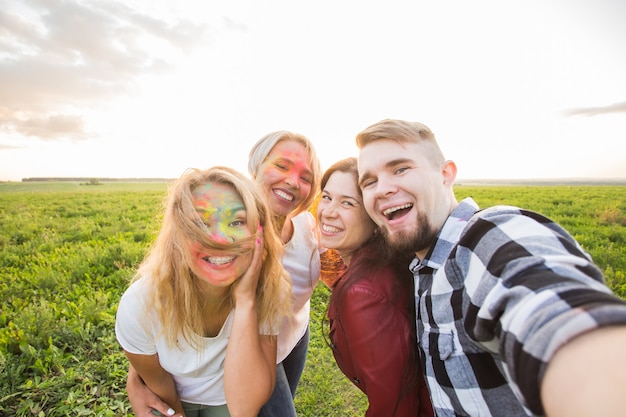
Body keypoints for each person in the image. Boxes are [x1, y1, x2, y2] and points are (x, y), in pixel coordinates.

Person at [355, 118, 626, 416]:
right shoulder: (423, 264)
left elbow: (551, 311)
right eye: (369, 182)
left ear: (446, 174)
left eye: (401, 169)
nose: (382, 189)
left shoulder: (486, 237)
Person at [125, 131, 323, 417]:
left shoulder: (310, 228)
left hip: (291, 335)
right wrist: (138, 372)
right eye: (281, 166)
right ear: (255, 167)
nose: (293, 181)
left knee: (281, 401)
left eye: (306, 178)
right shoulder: (218, 243)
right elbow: (160, 309)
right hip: (250, 347)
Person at [317, 157, 434, 417]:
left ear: (374, 213)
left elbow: (394, 406)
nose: (328, 211)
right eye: (326, 197)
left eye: (347, 202)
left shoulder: (363, 293)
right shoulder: (386, 258)